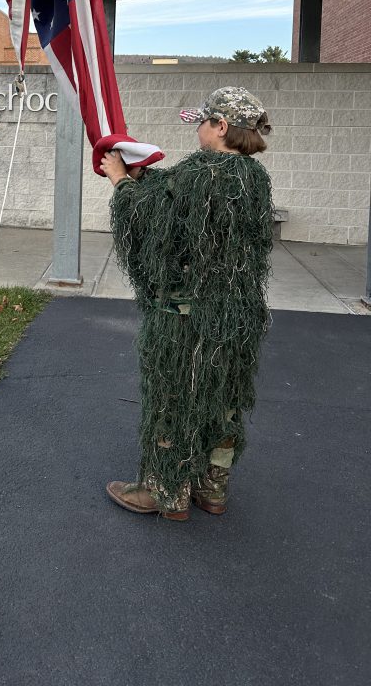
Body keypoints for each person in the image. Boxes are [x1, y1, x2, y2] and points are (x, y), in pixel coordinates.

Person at [101, 86, 273, 521]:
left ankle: (165, 492)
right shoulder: (254, 179)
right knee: (223, 398)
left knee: (173, 396)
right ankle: (212, 491)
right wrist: (146, 178)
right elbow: (176, 197)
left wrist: (122, 180)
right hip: (236, 317)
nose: (198, 128)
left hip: (185, 317)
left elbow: (154, 218)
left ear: (220, 126)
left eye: (203, 121)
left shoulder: (202, 172)